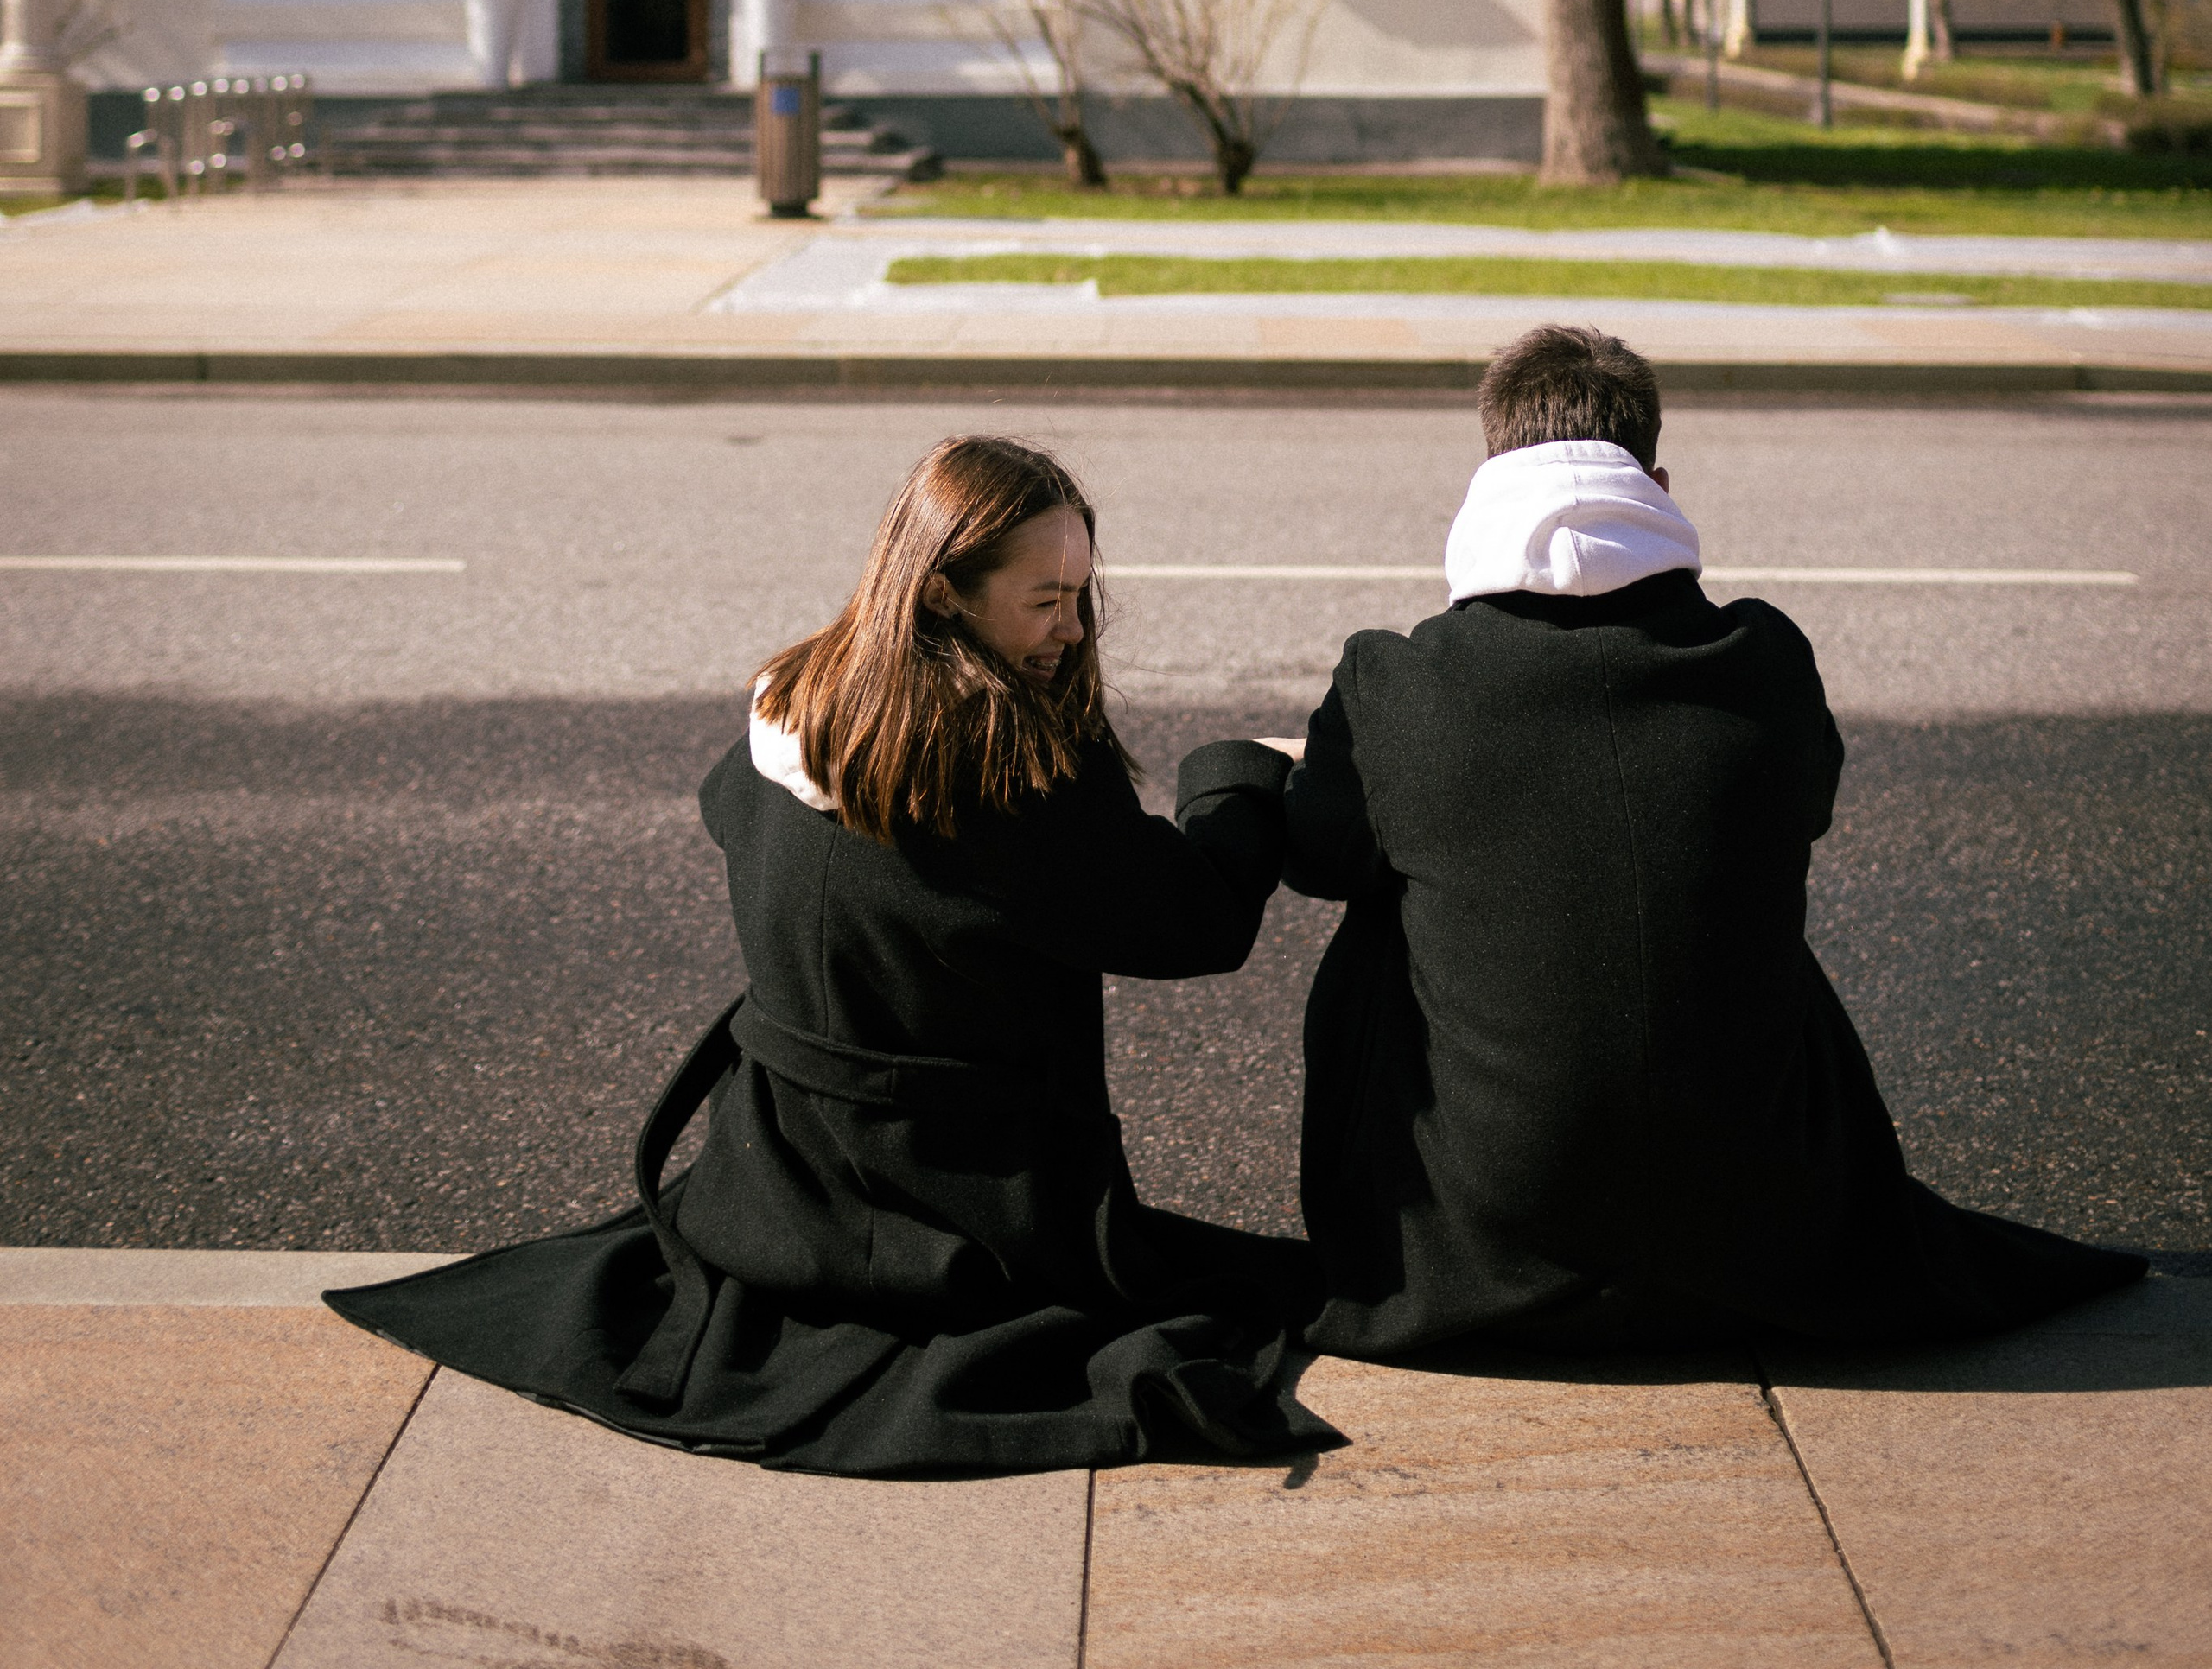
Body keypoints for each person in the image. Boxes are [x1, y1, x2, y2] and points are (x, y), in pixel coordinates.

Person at [331, 434, 1336, 1476]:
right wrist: (1236, 775)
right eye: (1043, 601)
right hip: (965, 1211)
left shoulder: (798, 700)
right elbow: (1197, 927)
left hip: (773, 1177)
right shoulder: (1010, 765)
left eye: (1080, 593)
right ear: (943, 592)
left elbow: (723, 809)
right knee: (1281, 1291)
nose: (1072, 629)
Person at [1283, 321, 2146, 1362]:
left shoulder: (1394, 680)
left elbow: (1315, 856)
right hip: (1767, 1223)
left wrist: (1266, 773)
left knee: (1391, 890)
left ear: (1488, 471)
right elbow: (1801, 808)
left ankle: (1435, 1225)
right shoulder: (1763, 656)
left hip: (1478, 1236)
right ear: (1655, 478)